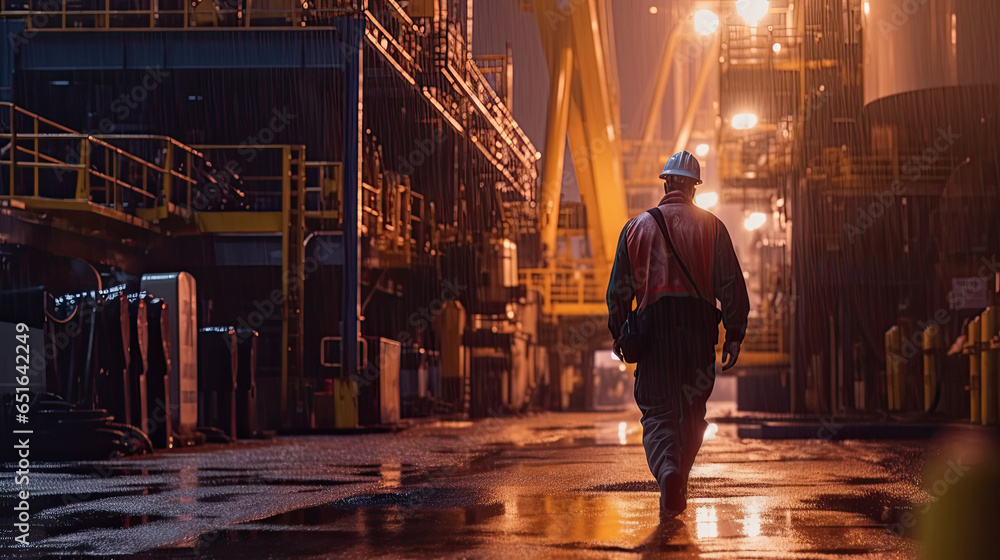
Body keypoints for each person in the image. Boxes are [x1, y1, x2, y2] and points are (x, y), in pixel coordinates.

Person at [606, 150, 750, 518]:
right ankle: (679, 475)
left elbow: (619, 291)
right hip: (698, 330)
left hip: (654, 328)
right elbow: (731, 284)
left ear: (666, 182)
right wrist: (734, 332)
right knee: (691, 410)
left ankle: (668, 471)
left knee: (657, 410)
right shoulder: (713, 227)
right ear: (694, 188)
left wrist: (620, 332)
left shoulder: (635, 227)